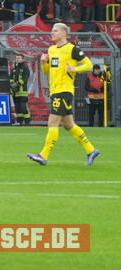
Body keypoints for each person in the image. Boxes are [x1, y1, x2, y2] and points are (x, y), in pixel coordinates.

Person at [27, 23, 100, 166]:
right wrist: (43, 63)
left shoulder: (72, 49)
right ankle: (91, 150)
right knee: (68, 125)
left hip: (64, 91)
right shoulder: (51, 49)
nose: (52, 33)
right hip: (55, 91)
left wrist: (75, 69)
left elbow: (89, 65)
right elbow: (48, 71)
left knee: (52, 122)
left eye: (55, 31)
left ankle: (43, 155)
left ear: (64, 33)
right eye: (52, 30)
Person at [9, 54, 31, 126]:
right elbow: (11, 78)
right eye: (16, 58)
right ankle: (20, 122)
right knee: (17, 108)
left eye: (18, 58)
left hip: (22, 92)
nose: (17, 59)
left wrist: (16, 84)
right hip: (15, 92)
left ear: (23, 60)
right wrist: (12, 84)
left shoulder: (25, 68)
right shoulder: (14, 69)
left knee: (23, 107)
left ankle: (27, 122)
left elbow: (24, 78)